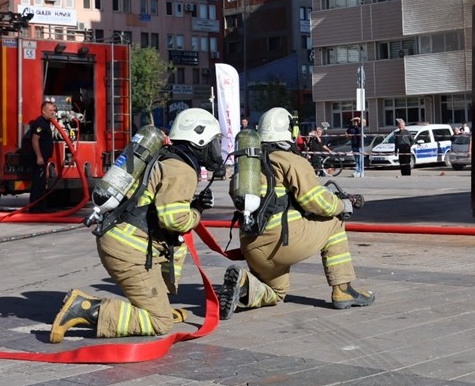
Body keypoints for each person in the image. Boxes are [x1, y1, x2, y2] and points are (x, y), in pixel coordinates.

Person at [49, 108, 223, 342]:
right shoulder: (182, 170)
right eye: (214, 141)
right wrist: (197, 212)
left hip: (119, 240)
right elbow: (174, 221)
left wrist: (192, 204)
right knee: (161, 323)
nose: (216, 149)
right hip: (130, 251)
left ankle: (151, 305)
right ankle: (84, 307)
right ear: (200, 138)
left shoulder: (163, 156)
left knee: (160, 306)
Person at [219, 107, 374, 319]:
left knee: (277, 292)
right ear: (290, 131)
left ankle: (245, 285)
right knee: (334, 222)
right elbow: (316, 202)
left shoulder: (248, 164)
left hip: (251, 246)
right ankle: (343, 290)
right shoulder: (290, 160)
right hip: (281, 243)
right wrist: (343, 205)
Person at [24, 101, 58, 211]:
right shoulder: (41, 123)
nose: (53, 113)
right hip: (39, 158)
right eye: (50, 111)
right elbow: (35, 140)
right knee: (38, 183)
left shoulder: (46, 122)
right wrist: (39, 157)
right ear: (43, 111)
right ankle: (35, 208)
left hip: (44, 158)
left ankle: (41, 207)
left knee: (42, 183)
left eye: (54, 111)